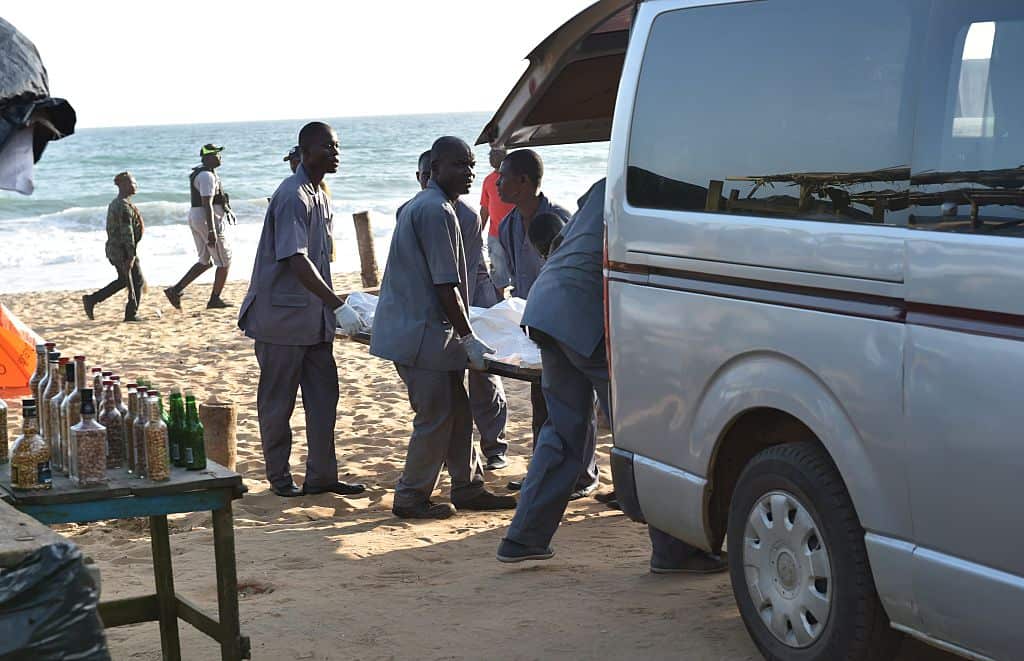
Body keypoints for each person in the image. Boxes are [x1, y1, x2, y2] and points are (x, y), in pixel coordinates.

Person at [496, 179, 727, 574]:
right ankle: (674, 551)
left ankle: (524, 537)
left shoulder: (612, 181)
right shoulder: (679, 185)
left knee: (564, 434)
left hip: (547, 304)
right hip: (584, 312)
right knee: (645, 428)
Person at [370, 136, 516, 519]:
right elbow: (445, 283)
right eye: (458, 165)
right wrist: (469, 337)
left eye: (470, 165)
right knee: (435, 416)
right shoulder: (437, 211)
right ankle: (410, 496)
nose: (468, 173)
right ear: (435, 169)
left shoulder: (431, 206)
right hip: (420, 334)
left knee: (459, 410)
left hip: (425, 331)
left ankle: (468, 486)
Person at [237, 121, 365, 498]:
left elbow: (321, 261)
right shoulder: (293, 195)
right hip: (282, 320)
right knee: (278, 404)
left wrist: (336, 306)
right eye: (328, 147)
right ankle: (279, 479)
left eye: (337, 147)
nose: (336, 154)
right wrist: (337, 305)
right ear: (307, 151)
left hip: (315, 322)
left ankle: (322, 476)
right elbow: (296, 259)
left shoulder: (319, 194)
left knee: (324, 399)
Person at [497, 149, 598, 498]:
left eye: (503, 177)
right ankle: (544, 473)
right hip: (536, 323)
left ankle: (583, 475)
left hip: (569, 320)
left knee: (576, 400)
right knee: (543, 399)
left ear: (523, 181)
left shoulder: (560, 217)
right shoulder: (508, 224)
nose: (496, 184)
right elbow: (513, 278)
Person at [415, 150, 509, 470]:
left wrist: (469, 324)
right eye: (423, 176)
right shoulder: (416, 212)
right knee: (447, 385)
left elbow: (466, 273)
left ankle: (494, 447)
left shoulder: (464, 216)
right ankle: (455, 454)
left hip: (471, 302)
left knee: (484, 377)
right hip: (442, 311)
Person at [164, 143, 234, 310]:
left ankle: (175, 290)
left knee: (205, 261)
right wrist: (211, 230)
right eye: (217, 154)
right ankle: (214, 300)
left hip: (196, 217)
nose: (220, 157)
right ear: (209, 157)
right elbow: (207, 204)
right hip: (206, 219)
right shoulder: (206, 177)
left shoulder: (204, 174)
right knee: (224, 262)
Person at [82, 171, 145, 322]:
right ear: (122, 185)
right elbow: (127, 232)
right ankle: (131, 314)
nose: (135, 185)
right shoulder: (123, 206)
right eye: (131, 182)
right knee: (137, 280)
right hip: (122, 250)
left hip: (117, 249)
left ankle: (92, 300)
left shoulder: (119, 203)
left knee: (124, 280)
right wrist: (130, 256)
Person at [479, 147, 515, 293]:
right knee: (498, 278)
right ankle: (500, 306)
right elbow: (485, 209)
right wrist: (477, 232)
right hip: (495, 234)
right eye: (491, 153)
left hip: (515, 233)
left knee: (519, 274)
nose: (492, 156)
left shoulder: (514, 178)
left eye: (497, 153)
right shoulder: (488, 180)